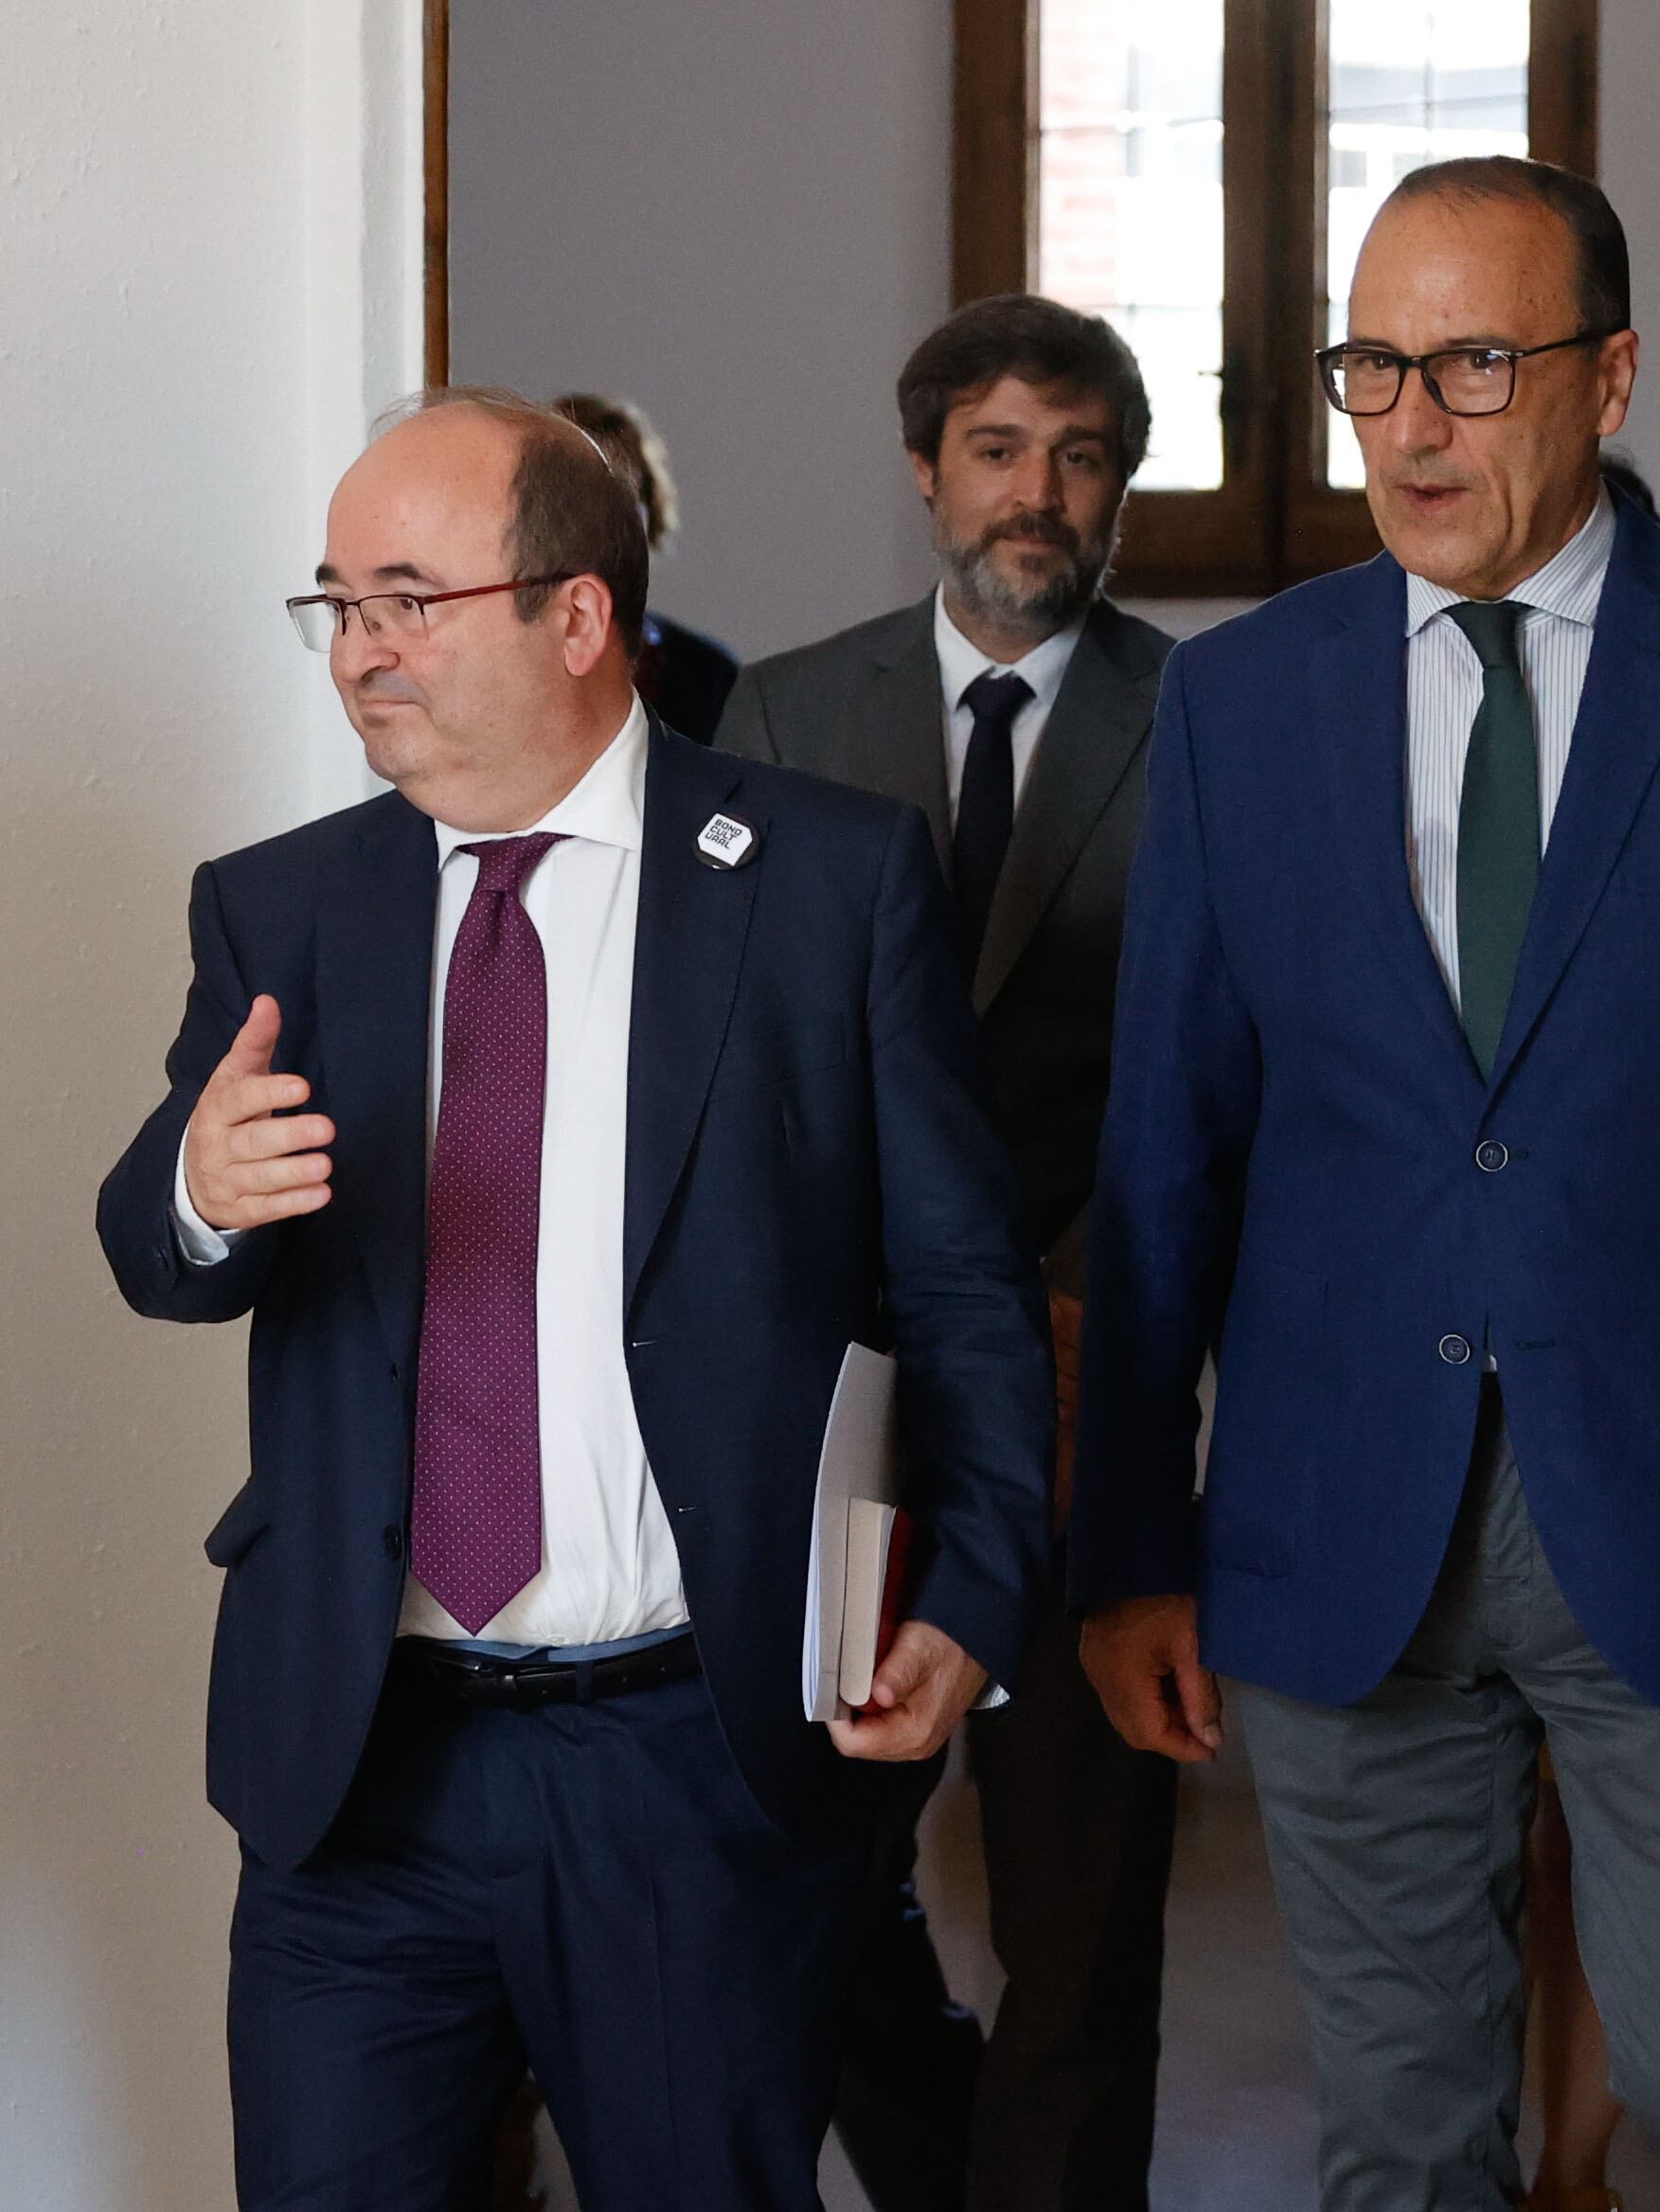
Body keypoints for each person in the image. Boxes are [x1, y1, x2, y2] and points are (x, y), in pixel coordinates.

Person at [95, 388, 1054, 2210]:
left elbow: (963, 1288)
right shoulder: (279, 907)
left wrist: (981, 1591)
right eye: (334, 608)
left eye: (403, 601)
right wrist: (198, 1195)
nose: (357, 653)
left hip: (689, 1763)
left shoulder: (824, 884)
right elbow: (158, 1245)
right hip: (360, 1763)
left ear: (574, 615)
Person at [1071, 155, 1660, 2210]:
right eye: (1370, 366)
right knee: (1399, 2135)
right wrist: (1131, 1533)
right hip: (1332, 1513)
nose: (1408, 423)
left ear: (1613, 375)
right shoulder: (1240, 697)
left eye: (1472, 361)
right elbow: (1165, 1141)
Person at [718, 294, 1181, 2212]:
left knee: (1083, 1917)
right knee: (806, 1874)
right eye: (1000, 450)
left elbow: (1213, 1066)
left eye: (1082, 458)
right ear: (925, 471)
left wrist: (1080, 1304)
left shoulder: (1207, 720)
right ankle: (948, 2171)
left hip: (1099, 1371)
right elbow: (735, 1053)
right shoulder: (783, 711)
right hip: (845, 1387)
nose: (1039, 495)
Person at [550, 392, 740, 743]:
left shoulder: (710, 674)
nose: (602, 531)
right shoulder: (502, 662)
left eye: (624, 505)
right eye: (578, 507)